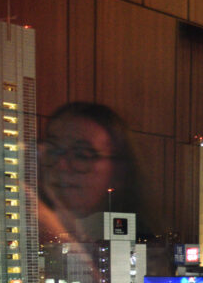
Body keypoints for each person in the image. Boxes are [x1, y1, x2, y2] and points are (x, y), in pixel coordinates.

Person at [38, 101, 147, 241]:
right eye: (53, 150)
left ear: (119, 172)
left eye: (82, 155)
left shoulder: (134, 238)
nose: (61, 165)